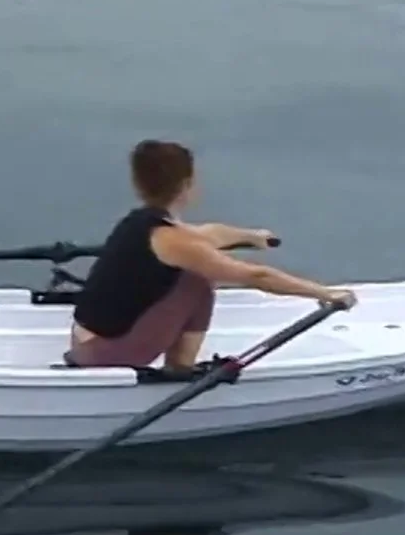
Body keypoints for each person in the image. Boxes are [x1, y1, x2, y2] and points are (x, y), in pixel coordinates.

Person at [66, 139, 356, 371]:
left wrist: (252, 237)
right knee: (197, 281)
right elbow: (257, 276)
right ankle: (180, 370)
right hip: (104, 356)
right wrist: (327, 293)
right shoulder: (173, 240)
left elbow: (209, 234)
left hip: (87, 343)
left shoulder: (142, 223)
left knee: (190, 271)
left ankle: (176, 366)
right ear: (187, 185)